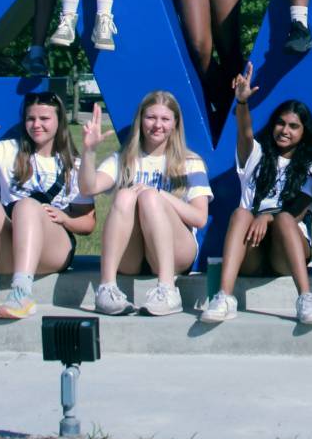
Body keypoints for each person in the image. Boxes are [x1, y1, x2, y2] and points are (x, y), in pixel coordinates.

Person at [202, 66, 312, 326]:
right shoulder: (256, 155)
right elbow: (245, 132)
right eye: (281, 123)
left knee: (283, 220)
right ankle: (224, 297)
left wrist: (267, 218)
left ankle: (305, 297)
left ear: (304, 132)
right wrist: (242, 101)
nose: (285, 130)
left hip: (286, 252)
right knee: (241, 213)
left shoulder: (310, 165)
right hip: (252, 251)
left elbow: (298, 211)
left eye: (294, 126)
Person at [0, 92, 95, 321]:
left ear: (59, 121)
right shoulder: (9, 150)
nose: (36, 124)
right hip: (12, 247)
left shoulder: (74, 164)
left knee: (27, 206)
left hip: (53, 250)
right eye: (31, 119)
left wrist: (65, 219)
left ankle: (22, 294)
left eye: (44, 118)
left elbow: (88, 223)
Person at [80, 90, 213, 318]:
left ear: (175, 124)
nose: (157, 125)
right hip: (131, 256)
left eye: (165, 119)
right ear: (140, 120)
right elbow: (88, 188)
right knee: (124, 196)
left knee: (149, 197)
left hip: (176, 253)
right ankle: (107, 289)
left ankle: (167, 290)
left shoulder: (190, 162)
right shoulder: (124, 159)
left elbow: (199, 218)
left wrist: (160, 194)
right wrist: (89, 151)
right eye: (151, 117)